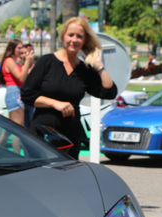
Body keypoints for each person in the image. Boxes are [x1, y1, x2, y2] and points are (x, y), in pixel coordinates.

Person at [21, 17, 117, 159]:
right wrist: (55, 103)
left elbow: (109, 92)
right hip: (43, 133)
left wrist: (99, 66)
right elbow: (27, 94)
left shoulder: (85, 69)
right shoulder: (46, 62)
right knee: (40, 177)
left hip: (70, 135)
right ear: (63, 36)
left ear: (85, 40)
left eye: (79, 36)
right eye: (70, 35)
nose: (74, 39)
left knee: (68, 176)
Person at [0, 39, 34, 150]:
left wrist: (26, 62)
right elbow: (21, 78)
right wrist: (27, 61)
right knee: (19, 129)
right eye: (19, 48)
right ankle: (18, 157)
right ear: (11, 48)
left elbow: (25, 76)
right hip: (14, 93)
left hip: (15, 93)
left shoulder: (14, 61)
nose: (21, 50)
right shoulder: (9, 61)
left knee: (9, 130)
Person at [22, 43, 36, 130]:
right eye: (23, 53)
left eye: (27, 53)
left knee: (32, 125)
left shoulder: (36, 66)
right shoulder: (19, 66)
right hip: (21, 99)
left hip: (32, 100)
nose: (25, 55)